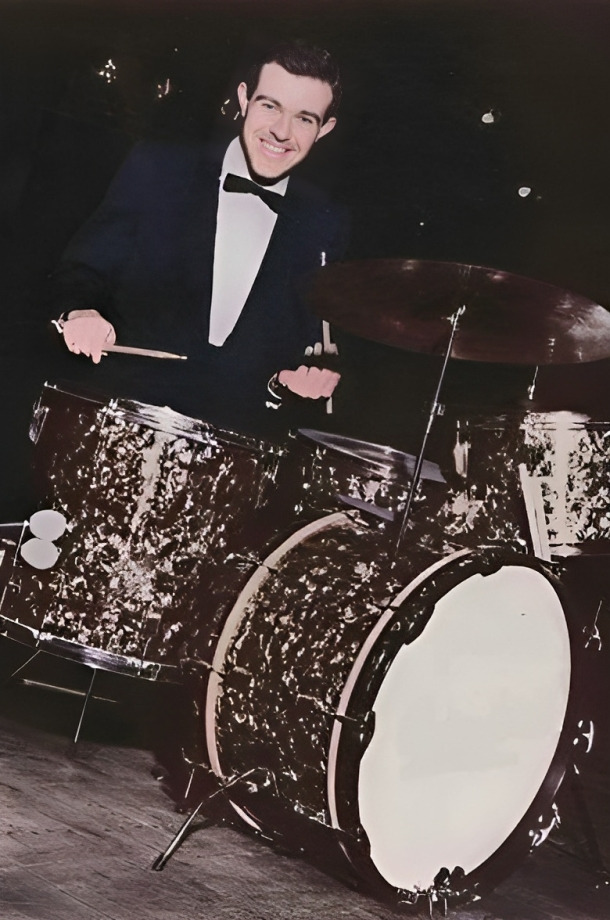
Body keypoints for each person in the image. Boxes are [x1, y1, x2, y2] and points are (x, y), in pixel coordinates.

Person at [49, 41, 347, 438]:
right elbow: (82, 269)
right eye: (270, 106)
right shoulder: (159, 169)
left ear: (325, 128)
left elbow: (311, 358)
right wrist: (81, 312)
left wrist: (293, 385)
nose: (281, 131)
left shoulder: (324, 225)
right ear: (244, 98)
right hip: (119, 426)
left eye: (304, 119)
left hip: (235, 452)